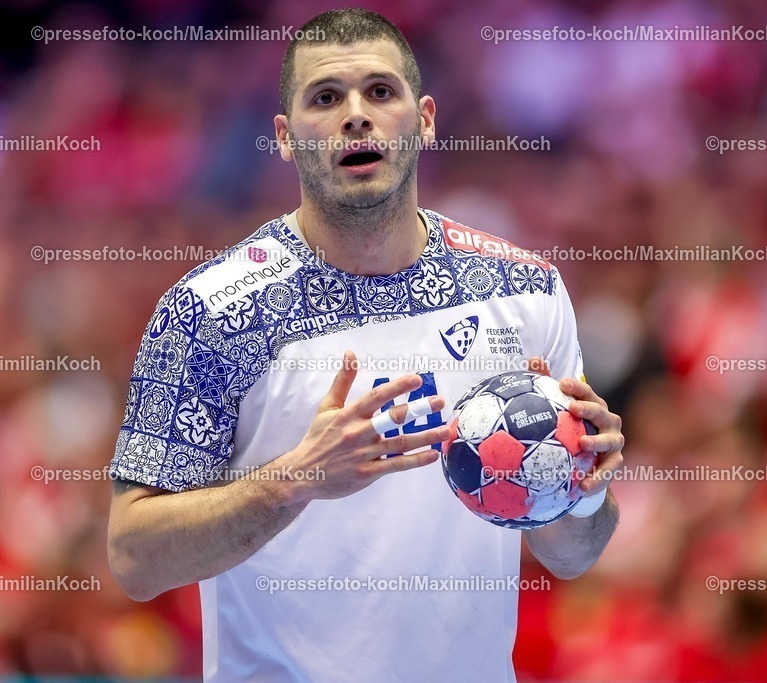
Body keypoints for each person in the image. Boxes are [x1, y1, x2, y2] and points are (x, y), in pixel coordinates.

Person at [107, 8, 624, 681]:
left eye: (381, 91)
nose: (357, 114)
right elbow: (134, 557)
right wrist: (295, 480)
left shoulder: (525, 291)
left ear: (427, 118)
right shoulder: (207, 311)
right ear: (286, 138)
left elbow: (572, 554)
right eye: (326, 97)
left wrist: (582, 487)